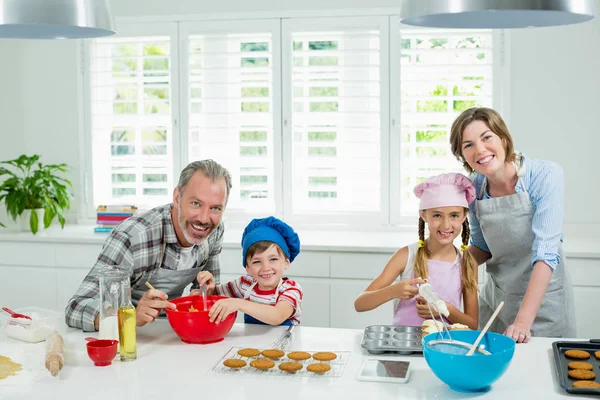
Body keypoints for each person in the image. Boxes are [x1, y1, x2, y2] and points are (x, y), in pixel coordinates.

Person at [449, 107, 575, 342]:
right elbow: (482, 246)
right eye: (468, 145)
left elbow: (546, 252)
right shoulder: (474, 188)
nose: (480, 150)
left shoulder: (544, 175)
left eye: (487, 137)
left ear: (504, 138)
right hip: (498, 301)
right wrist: (443, 270)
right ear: (462, 155)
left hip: (543, 305)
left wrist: (522, 322)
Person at [65, 160, 232, 332]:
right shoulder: (132, 237)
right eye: (196, 203)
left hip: (170, 331)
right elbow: (75, 308)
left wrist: (207, 293)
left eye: (215, 208)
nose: (204, 219)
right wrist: (130, 316)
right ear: (177, 198)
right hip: (127, 336)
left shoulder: (214, 231)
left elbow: (206, 297)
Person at [354, 173, 479, 329]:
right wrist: (393, 291)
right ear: (424, 215)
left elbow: (473, 325)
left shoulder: (467, 263)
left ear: (464, 216)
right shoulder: (406, 256)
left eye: (454, 215)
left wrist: (446, 309)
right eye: (437, 215)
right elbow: (360, 304)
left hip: (443, 348)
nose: (446, 225)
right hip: (403, 346)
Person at [196, 216, 302, 326]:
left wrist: (239, 303)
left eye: (273, 259)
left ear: (286, 262)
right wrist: (208, 287)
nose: (265, 268)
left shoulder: (291, 289)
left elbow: (277, 316)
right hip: (252, 342)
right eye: (257, 262)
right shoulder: (245, 284)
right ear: (247, 268)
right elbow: (215, 296)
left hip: (284, 342)